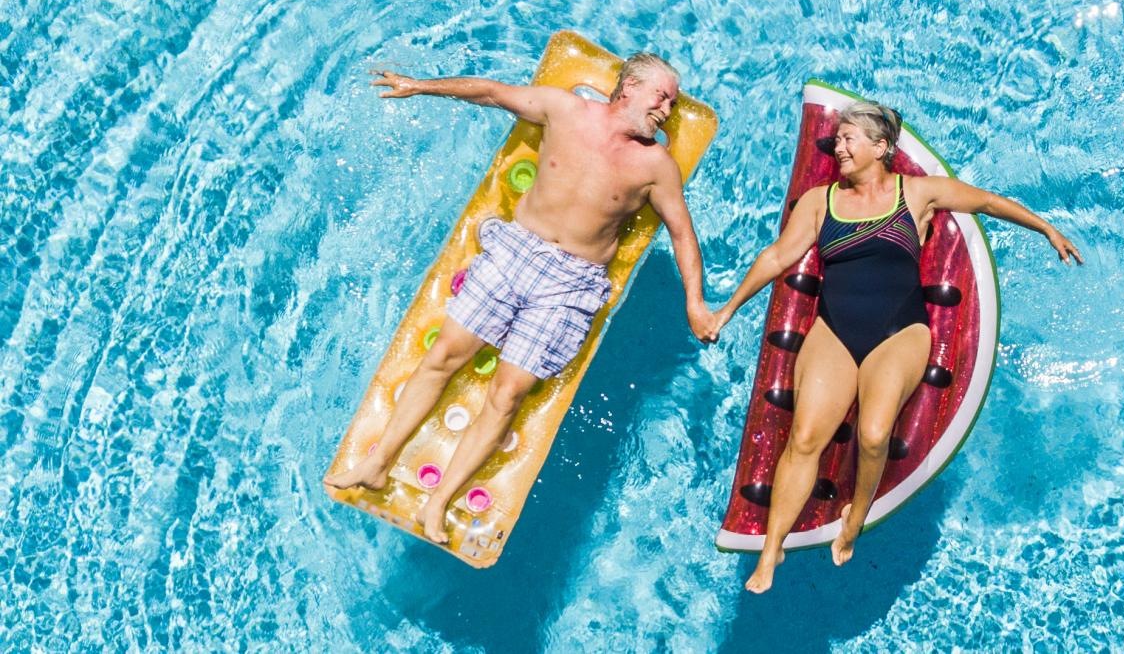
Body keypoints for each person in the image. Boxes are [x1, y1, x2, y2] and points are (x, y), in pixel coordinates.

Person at [325, 53, 713, 544]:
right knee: (444, 355)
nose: (666, 109)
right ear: (629, 86)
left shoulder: (656, 165)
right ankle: (377, 464)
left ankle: (438, 502)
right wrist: (419, 85)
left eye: (673, 103)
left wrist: (695, 303)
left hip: (571, 283)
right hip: (515, 251)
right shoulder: (565, 110)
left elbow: (682, 233)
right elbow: (491, 92)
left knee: (506, 394)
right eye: (661, 95)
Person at [705, 101, 1083, 593]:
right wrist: (727, 309)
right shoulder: (821, 201)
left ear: (881, 148)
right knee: (803, 438)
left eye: (849, 139)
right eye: (836, 140)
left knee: (875, 434)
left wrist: (1046, 228)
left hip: (899, 331)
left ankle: (856, 514)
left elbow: (987, 202)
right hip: (834, 329)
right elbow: (778, 255)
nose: (838, 147)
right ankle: (772, 548)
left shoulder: (918, 194)